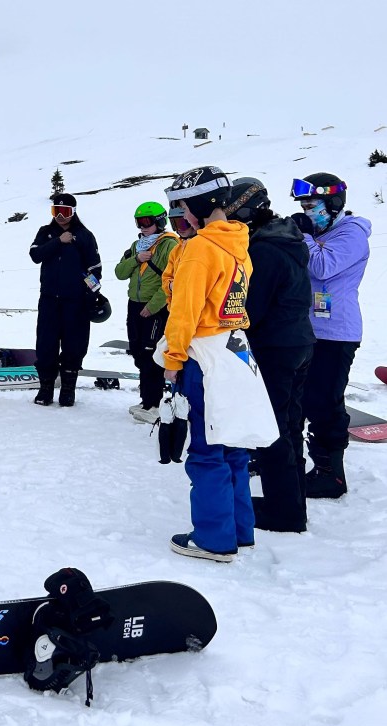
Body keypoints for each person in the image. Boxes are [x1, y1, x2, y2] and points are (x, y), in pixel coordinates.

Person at [161, 166, 254, 563]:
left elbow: (184, 311)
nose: (181, 214)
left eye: (182, 206)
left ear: (199, 203)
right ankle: (239, 528)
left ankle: (214, 539)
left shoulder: (199, 248)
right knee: (231, 444)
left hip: (203, 356)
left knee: (205, 449)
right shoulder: (236, 242)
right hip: (235, 351)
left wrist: (172, 361)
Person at [226, 178, 316, 533]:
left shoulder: (263, 250)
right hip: (298, 343)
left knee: (272, 430)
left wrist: (230, 335)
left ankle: (284, 513)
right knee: (290, 427)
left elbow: (251, 309)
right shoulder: (287, 239)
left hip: (276, 347)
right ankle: (292, 502)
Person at [289, 173, 371, 498]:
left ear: (333, 203)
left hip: (338, 333)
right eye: (303, 205)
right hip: (310, 330)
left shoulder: (352, 235)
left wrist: (304, 237)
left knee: (324, 402)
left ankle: (330, 473)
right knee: (301, 398)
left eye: (312, 204)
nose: (308, 210)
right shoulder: (322, 231)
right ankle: (295, 459)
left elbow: (323, 267)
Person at [28, 193, 103, 407]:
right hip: (50, 299)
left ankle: (68, 390)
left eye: (66, 211)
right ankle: (46, 389)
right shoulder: (46, 232)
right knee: (45, 345)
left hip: (76, 302)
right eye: (56, 211)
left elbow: (94, 269)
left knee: (74, 346)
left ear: (74, 212)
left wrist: (92, 294)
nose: (60, 216)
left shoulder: (85, 235)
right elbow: (35, 255)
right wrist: (59, 242)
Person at [114, 202, 178, 423]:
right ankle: (146, 401)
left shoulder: (169, 245)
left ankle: (155, 404)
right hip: (134, 305)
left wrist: (153, 306)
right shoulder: (136, 246)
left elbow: (172, 280)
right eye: (139, 222)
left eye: (147, 222)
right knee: (139, 353)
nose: (143, 227)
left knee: (152, 355)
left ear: (159, 222)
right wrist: (136, 259)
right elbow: (120, 273)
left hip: (155, 308)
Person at [162, 204, 198, 308]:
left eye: (182, 224)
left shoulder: (203, 246)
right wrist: (170, 286)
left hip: (196, 308)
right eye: (175, 224)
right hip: (177, 308)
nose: (179, 229)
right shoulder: (176, 250)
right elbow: (166, 278)